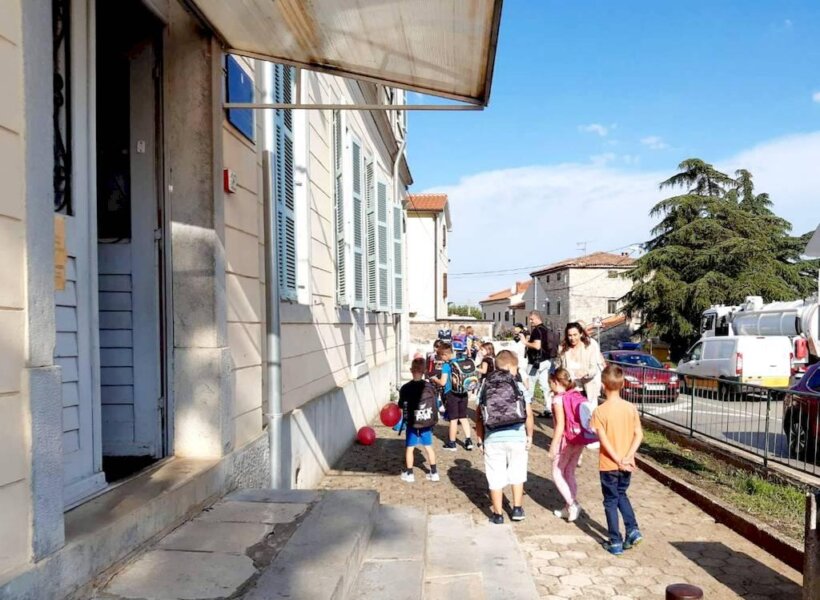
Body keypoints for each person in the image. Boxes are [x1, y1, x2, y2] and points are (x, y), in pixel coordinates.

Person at [474, 350, 533, 524]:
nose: (516, 371)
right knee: (517, 472)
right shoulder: (518, 385)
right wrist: (529, 436)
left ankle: (498, 514)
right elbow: (529, 414)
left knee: (495, 476)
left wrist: (480, 438)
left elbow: (479, 416)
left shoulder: (485, 385)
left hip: (492, 437)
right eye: (515, 368)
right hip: (517, 436)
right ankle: (517, 509)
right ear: (509, 366)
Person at [591, 365, 644, 555]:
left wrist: (617, 459)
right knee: (621, 494)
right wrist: (628, 456)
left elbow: (603, 440)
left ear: (603, 385)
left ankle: (615, 541)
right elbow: (639, 435)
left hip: (609, 465)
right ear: (622, 385)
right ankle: (632, 529)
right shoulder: (630, 408)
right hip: (627, 464)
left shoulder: (600, 411)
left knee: (610, 501)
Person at [548, 368, 593, 522]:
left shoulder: (558, 399)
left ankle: (572, 504)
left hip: (565, 441)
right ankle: (568, 508)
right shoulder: (575, 394)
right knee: (570, 472)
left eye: (550, 383)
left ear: (555, 382)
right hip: (578, 438)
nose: (550, 386)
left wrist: (553, 445)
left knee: (557, 472)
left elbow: (560, 425)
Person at [398, 358, 439, 483]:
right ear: (425, 371)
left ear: (411, 370)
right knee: (428, 447)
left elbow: (401, 405)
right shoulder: (430, 387)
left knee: (410, 448)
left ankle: (410, 473)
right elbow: (435, 404)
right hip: (426, 422)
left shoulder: (405, 388)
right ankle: (434, 472)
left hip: (412, 423)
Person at [431, 342, 473, 451]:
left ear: (445, 355)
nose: (440, 358)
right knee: (463, 417)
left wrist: (435, 379)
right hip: (463, 393)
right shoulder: (460, 361)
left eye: (440, 356)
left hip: (451, 394)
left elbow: (443, 382)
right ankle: (468, 441)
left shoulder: (446, 365)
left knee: (453, 419)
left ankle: (452, 443)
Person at [519, 311, 557, 418]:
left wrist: (525, 342)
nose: (530, 321)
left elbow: (537, 346)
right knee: (545, 386)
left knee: (529, 384)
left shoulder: (536, 330)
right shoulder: (546, 329)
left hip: (536, 363)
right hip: (547, 361)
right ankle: (548, 408)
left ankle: (526, 408)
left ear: (537, 318)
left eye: (531, 319)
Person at [556, 322, 603, 405]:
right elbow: (558, 367)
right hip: (569, 390)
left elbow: (594, 369)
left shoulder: (589, 348)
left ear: (581, 334)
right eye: (570, 335)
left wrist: (586, 373)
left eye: (575, 335)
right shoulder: (562, 349)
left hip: (588, 389)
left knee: (588, 412)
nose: (572, 338)